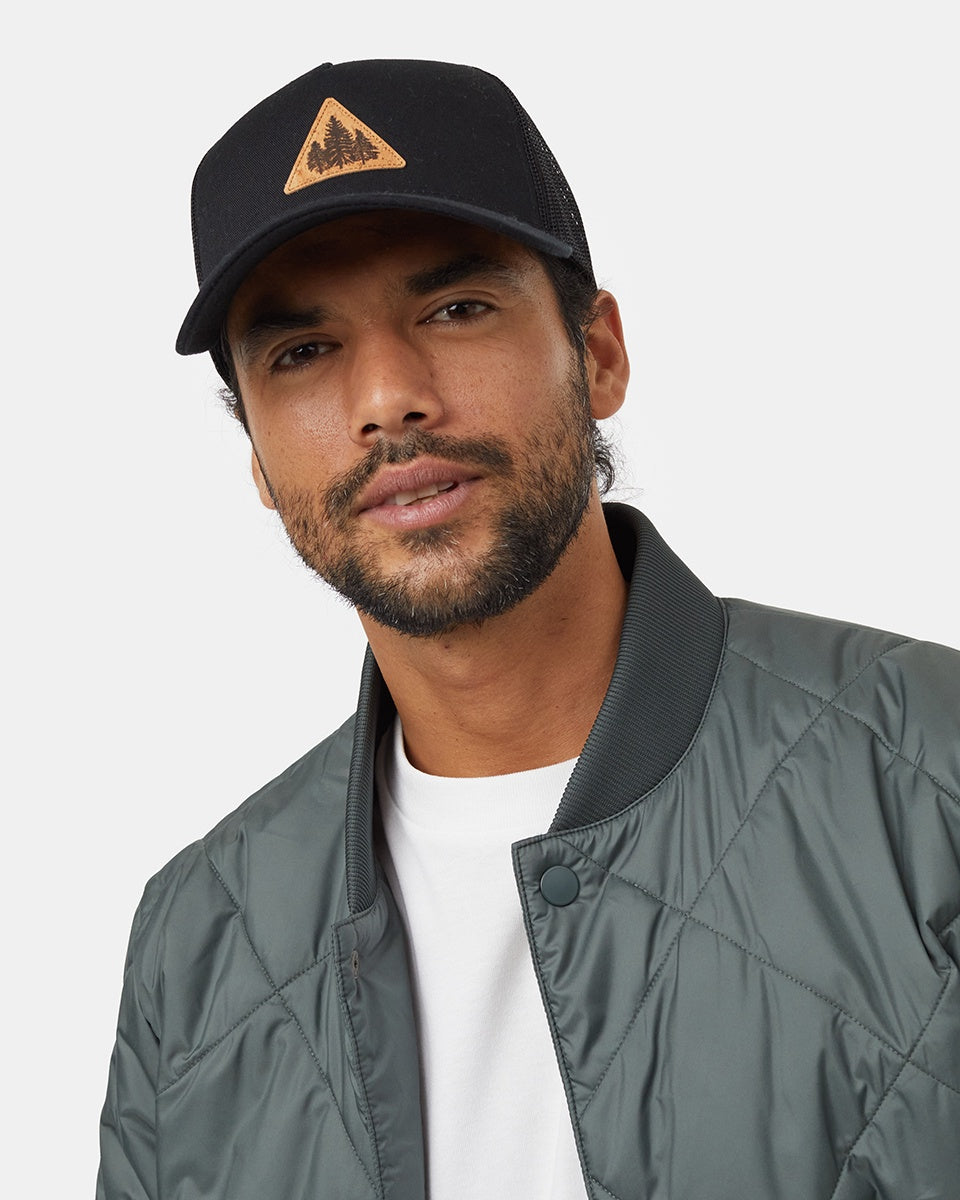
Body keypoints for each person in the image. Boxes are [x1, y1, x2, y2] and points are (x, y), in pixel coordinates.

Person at [97, 59, 960, 1200]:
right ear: (256, 454)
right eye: (302, 353)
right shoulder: (196, 942)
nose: (387, 399)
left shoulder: (932, 776)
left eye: (456, 308)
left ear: (597, 354)